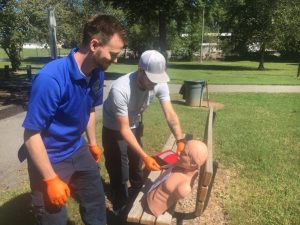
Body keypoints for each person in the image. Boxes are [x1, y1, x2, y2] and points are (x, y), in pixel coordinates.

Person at [22, 14, 126, 225]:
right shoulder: (51, 79)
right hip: (49, 155)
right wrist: (50, 179)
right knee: (54, 218)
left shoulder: (97, 72)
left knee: (96, 204)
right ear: (94, 44)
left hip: (77, 149)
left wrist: (93, 143)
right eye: (113, 54)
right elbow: (31, 135)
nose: (116, 60)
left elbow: (89, 110)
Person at [102, 50, 185, 215]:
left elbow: (170, 114)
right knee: (119, 170)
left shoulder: (158, 83)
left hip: (135, 124)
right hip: (114, 129)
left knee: (136, 166)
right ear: (140, 70)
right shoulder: (120, 88)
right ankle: (120, 207)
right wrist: (147, 156)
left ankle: (136, 197)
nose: (155, 84)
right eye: (152, 79)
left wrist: (180, 139)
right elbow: (123, 129)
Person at [146, 140, 208, 216]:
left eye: (184, 153)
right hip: (151, 195)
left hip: (153, 206)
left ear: (193, 163)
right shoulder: (183, 166)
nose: (178, 152)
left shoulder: (184, 187)